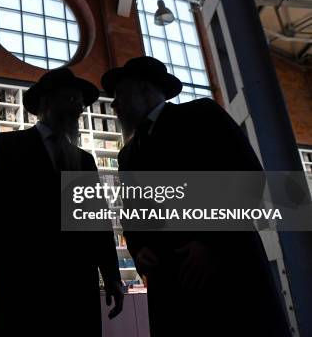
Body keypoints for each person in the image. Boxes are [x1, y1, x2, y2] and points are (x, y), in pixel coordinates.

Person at [101, 56, 291, 336]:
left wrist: (211, 243)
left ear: (143, 90)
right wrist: (140, 249)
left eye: (120, 95)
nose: (114, 105)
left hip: (226, 276)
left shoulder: (201, 115)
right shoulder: (127, 154)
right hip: (170, 288)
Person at [0, 67, 123, 337]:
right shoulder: (9, 145)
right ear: (47, 102)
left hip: (76, 282)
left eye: (81, 102)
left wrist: (112, 274)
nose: (79, 108)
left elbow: (97, 222)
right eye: (72, 99)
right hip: (25, 277)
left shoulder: (84, 160)